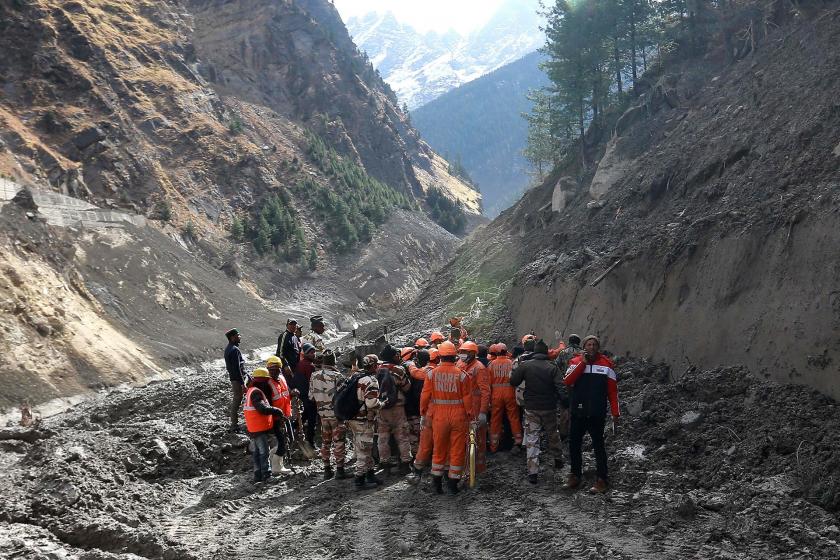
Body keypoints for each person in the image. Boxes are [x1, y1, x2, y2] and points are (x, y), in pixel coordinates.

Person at [563, 335, 619, 494]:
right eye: (589, 344)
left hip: (597, 413)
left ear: (598, 347)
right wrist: (583, 363)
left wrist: (616, 413)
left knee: (599, 446)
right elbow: (567, 381)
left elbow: (613, 392)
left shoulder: (607, 365)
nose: (592, 347)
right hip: (578, 412)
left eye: (594, 344)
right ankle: (575, 475)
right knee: (574, 445)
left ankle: (602, 479)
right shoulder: (575, 362)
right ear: (584, 347)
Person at [417, 341, 472, 495]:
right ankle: (453, 484)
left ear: (440, 356)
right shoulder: (462, 375)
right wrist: (470, 415)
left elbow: (425, 396)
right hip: (458, 417)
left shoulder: (431, 374)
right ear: (454, 356)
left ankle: (436, 484)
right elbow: (468, 399)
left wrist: (423, 413)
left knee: (439, 449)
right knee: (457, 449)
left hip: (439, 417)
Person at [510, 339, 565, 484]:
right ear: (546, 352)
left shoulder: (525, 365)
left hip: (531, 408)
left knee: (532, 438)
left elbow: (513, 381)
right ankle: (558, 459)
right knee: (553, 433)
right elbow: (561, 387)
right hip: (549, 407)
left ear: (534, 352)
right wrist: (565, 401)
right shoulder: (552, 367)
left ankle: (533, 472)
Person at [347, 354, 387, 489]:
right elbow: (371, 404)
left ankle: (370, 474)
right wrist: (382, 403)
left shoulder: (356, 377)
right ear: (375, 366)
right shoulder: (371, 381)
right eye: (378, 365)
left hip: (353, 418)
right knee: (364, 450)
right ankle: (359, 480)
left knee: (365, 448)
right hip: (363, 420)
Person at [244, 368, 287, 483]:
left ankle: (258, 475)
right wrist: (277, 410)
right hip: (258, 428)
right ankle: (266, 475)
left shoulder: (252, 390)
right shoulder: (256, 392)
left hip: (254, 427)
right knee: (264, 452)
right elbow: (262, 408)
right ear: (263, 381)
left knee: (258, 452)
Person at [309, 350, 348, 479]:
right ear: (334, 361)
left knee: (326, 441)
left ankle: (326, 469)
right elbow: (343, 397)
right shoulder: (338, 376)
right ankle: (340, 469)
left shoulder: (314, 376)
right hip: (336, 415)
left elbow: (311, 397)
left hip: (322, 415)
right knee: (339, 441)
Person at [376, 345, 413, 475]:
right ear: (392, 356)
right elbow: (407, 387)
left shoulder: (376, 369)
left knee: (383, 437)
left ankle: (384, 464)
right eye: (396, 355)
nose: (399, 357)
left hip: (381, 408)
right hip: (397, 408)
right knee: (402, 436)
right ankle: (405, 464)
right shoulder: (398, 369)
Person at [458, 341, 490, 476]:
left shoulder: (479, 368)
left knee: (478, 439)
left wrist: (483, 412)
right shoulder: (464, 365)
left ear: (472, 353)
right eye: (461, 352)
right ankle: (468, 467)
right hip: (466, 408)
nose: (462, 355)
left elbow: (485, 391)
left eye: (465, 352)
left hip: (476, 408)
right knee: (467, 439)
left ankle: (479, 468)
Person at [488, 343, 522, 454]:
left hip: (496, 395)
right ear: (506, 351)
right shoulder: (511, 362)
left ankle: (493, 445)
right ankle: (518, 441)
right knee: (514, 417)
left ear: (496, 352)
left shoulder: (492, 364)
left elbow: (488, 382)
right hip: (510, 393)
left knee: (495, 420)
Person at [266, 356, 293, 475]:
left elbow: (286, 393)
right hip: (276, 418)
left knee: (289, 439)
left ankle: (274, 461)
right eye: (270, 369)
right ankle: (277, 467)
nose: (273, 371)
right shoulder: (267, 383)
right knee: (282, 442)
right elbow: (268, 403)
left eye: (275, 369)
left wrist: (293, 393)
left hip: (285, 414)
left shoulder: (281, 378)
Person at [554, 334, 582, 441]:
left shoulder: (563, 353)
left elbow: (555, 366)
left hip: (565, 384)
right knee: (579, 407)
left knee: (564, 408)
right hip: (580, 385)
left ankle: (564, 432)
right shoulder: (582, 353)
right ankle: (577, 430)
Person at [405, 349, 430, 456]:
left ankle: (418, 456)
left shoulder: (415, 373)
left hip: (414, 409)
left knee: (414, 435)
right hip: (426, 410)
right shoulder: (431, 372)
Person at [294, 343, 318, 447]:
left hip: (302, 394)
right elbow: (311, 382)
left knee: (306, 413)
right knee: (312, 418)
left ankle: (294, 427)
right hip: (309, 395)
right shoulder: (309, 366)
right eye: (311, 353)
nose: (314, 354)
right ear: (306, 354)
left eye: (314, 352)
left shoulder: (300, 363)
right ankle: (310, 441)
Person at [224, 328, 247, 433]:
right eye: (238, 335)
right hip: (237, 380)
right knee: (237, 400)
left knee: (237, 400)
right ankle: (234, 425)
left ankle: (235, 423)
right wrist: (243, 383)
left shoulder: (229, 349)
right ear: (233, 337)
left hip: (234, 379)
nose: (240, 337)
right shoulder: (234, 350)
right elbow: (237, 368)